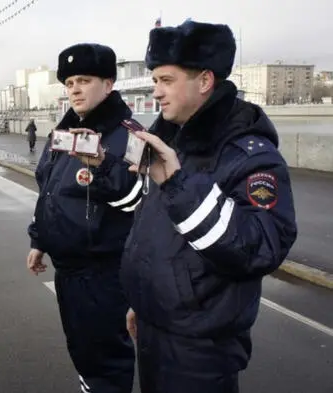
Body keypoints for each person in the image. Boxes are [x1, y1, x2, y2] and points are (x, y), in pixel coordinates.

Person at [120, 20, 298, 393]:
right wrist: (145, 302)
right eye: (155, 81)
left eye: (166, 81)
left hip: (200, 349)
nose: (156, 93)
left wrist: (179, 186)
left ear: (204, 81)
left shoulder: (249, 155)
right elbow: (160, 239)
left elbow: (262, 247)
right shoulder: (174, 142)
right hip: (156, 330)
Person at [27, 43, 143, 393]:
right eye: (70, 82)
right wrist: (39, 240)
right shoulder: (63, 133)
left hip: (104, 273)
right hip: (70, 270)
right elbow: (49, 191)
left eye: (85, 80)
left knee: (106, 360)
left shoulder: (131, 135)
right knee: (83, 351)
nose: (75, 88)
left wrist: (104, 165)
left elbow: (139, 201)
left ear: (108, 85)